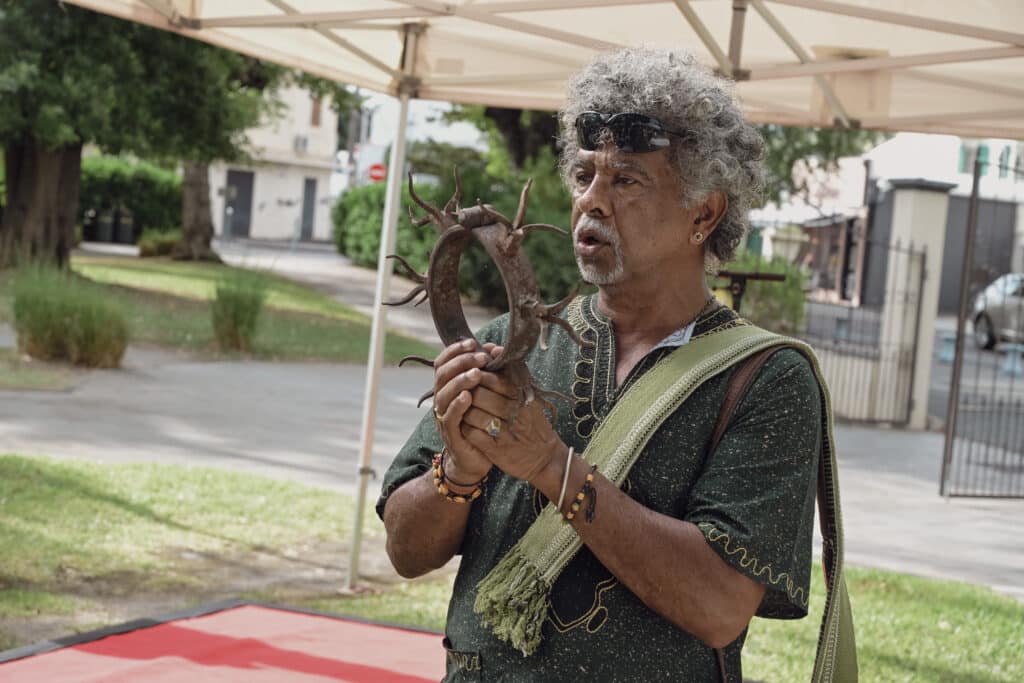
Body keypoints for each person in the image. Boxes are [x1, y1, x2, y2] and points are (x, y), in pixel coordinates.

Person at [377, 48, 825, 682]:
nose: (592, 200)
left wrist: (550, 467)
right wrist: (460, 468)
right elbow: (404, 549)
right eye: (584, 174)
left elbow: (720, 605)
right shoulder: (507, 342)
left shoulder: (767, 379)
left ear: (704, 213)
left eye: (626, 180)